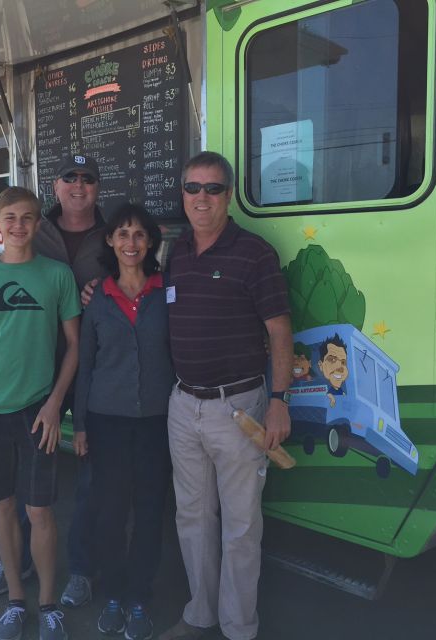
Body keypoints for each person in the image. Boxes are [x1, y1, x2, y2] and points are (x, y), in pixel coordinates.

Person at [159, 151, 293, 640]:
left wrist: (279, 399)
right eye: (193, 188)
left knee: (240, 526)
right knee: (192, 516)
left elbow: (279, 331)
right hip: (183, 404)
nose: (202, 198)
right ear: (183, 194)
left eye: (213, 189)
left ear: (229, 196)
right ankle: (201, 614)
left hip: (239, 408)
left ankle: (239, 628)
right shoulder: (175, 252)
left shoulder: (254, 253)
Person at [0, 154, 108, 608]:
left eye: (87, 179)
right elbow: (10, 261)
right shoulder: (36, 224)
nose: (78, 186)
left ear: (96, 188)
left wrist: (105, 290)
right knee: (26, 483)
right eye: (69, 178)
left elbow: (140, 275)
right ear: (55, 186)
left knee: (90, 471)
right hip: (32, 376)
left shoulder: (114, 234)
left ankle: (83, 568)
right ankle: (20, 559)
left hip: (90, 369)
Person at [0, 186, 81, 640]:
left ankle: (49, 605)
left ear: (38, 224)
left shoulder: (57, 275)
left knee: (41, 511)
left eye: (27, 217)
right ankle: (15, 600)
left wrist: (54, 404)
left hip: (36, 412)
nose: (18, 226)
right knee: (3, 507)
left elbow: (73, 346)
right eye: (9, 217)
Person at [73, 203, 174, 640]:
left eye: (139, 235)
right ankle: (112, 592)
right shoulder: (98, 298)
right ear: (110, 241)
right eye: (122, 234)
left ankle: (138, 596)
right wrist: (78, 426)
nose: (130, 243)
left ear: (150, 242)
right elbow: (86, 364)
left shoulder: (167, 291)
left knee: (151, 512)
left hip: (157, 421)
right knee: (110, 513)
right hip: (106, 421)